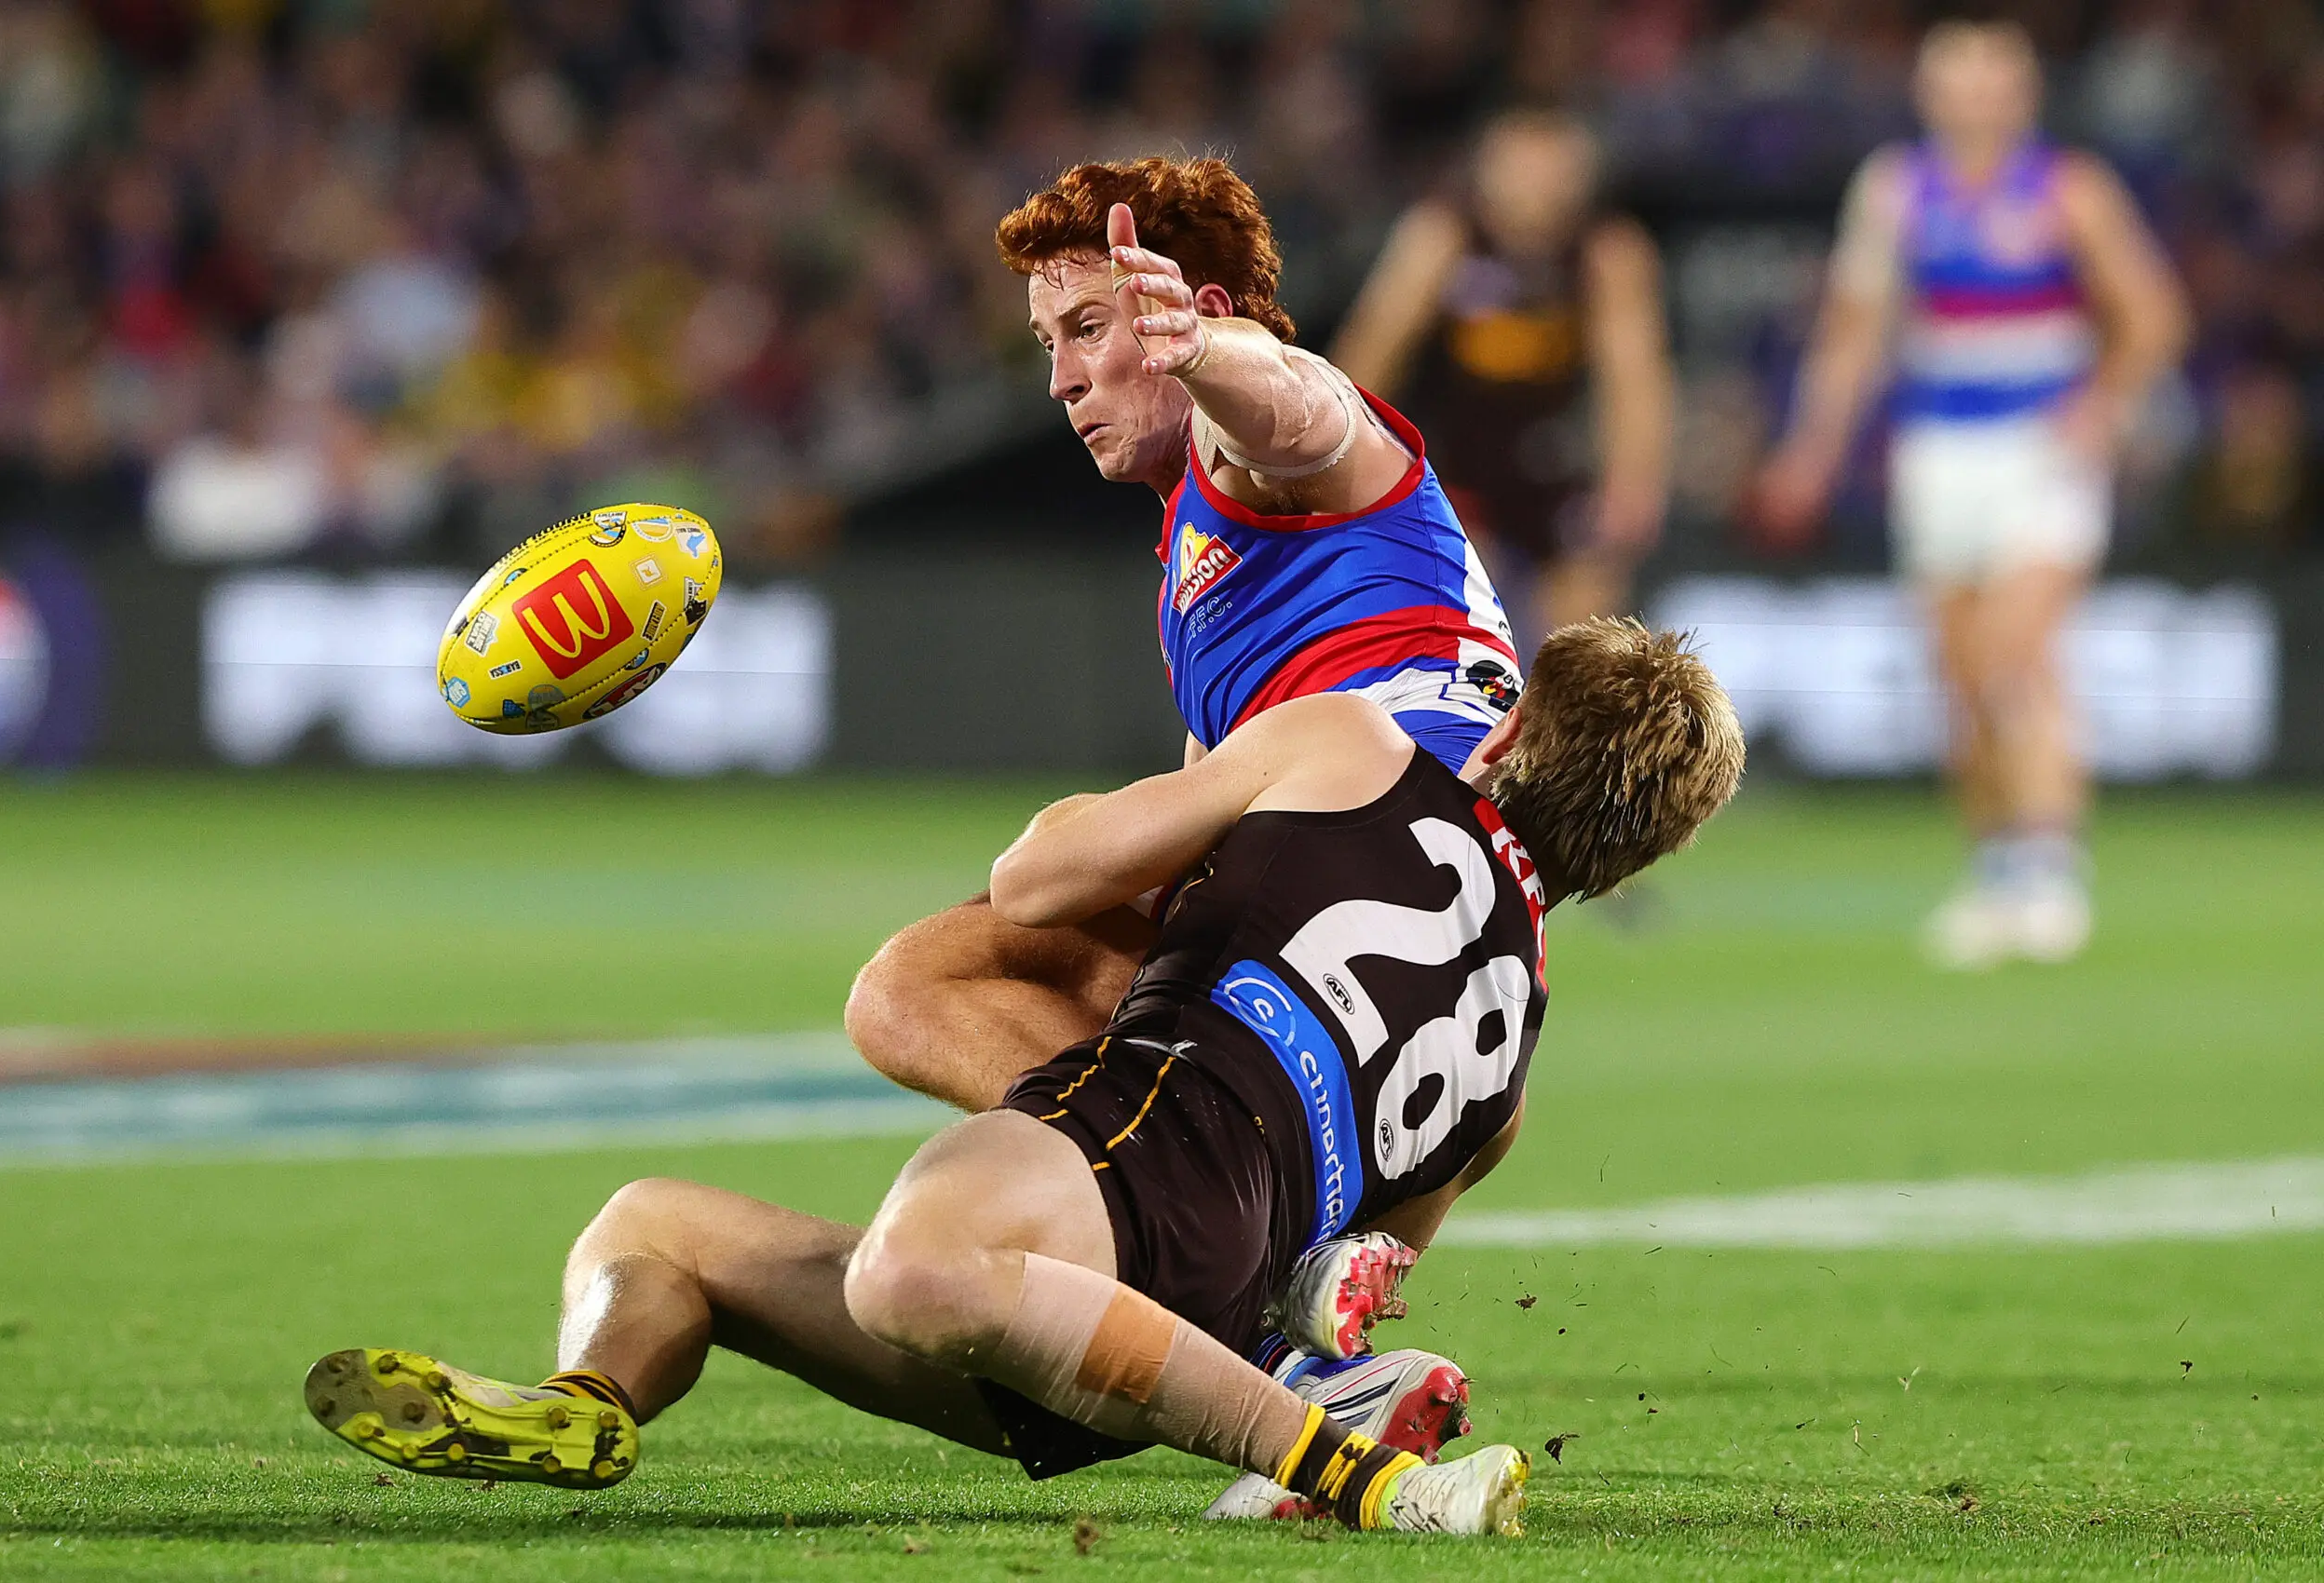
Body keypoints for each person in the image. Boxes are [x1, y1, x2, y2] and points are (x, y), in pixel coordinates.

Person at [304, 619, 1746, 1536]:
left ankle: (1363, 1479)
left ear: (1507, 729)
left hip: (1140, 1144)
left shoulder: (1354, 741)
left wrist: (1149, 839)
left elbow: (1036, 880)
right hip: (1142, 1344)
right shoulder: (1512, 1064)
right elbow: (1349, 1271)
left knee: (911, 1272)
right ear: (1627, 869)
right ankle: (591, 1399)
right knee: (654, 1228)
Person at [845, 156, 1523, 1124]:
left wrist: (1201, 347)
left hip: (1387, 881)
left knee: (932, 971)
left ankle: (1167, 1165)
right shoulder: (1196, 570)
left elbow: (1292, 402)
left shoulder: (1256, 440)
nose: (1061, 380)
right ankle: (1203, 1172)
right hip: (1430, 950)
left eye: (1087, 329)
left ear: (1196, 306)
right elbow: (1192, 839)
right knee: (965, 967)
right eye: (1047, 344)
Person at [1750, 20, 2188, 968]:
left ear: (2022, 93)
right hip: (1937, 452)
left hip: (2041, 454)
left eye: (1990, 80)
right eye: (1955, 80)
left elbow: (2152, 313)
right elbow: (1856, 331)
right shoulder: (1895, 191)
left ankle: (2051, 869)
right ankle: (1996, 872)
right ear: (1928, 92)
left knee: (2014, 657)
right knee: (1959, 679)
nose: (1972, 98)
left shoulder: (2068, 189)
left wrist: (2101, 407)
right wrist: (1811, 449)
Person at [1331, 109, 1674, 643]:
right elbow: (1373, 352)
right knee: (1462, 623)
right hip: (1454, 468)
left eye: (1553, 176)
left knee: (1584, 638)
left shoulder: (1609, 252)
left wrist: (1633, 487)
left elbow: (1634, 380)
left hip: (1559, 468)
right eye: (1522, 173)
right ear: (1488, 173)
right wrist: (1341, 464)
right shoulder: (1441, 236)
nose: (1536, 194)